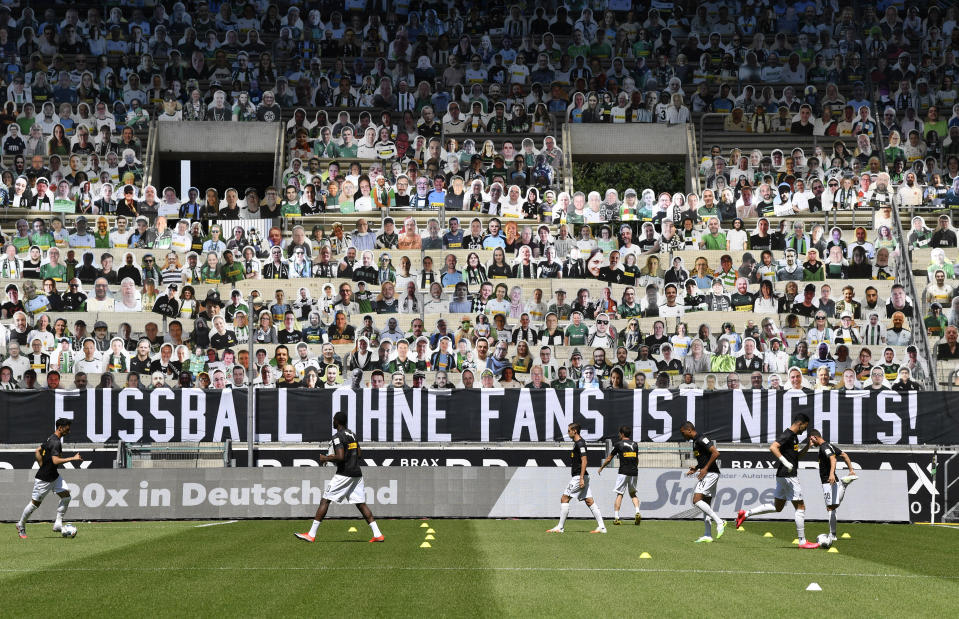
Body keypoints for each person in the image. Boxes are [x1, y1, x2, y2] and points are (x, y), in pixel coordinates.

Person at [294, 412, 384, 543]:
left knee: (325, 500)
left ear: (337, 421)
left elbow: (340, 457)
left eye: (333, 420)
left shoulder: (337, 437)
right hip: (356, 474)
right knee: (361, 504)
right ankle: (378, 534)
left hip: (344, 474)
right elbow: (359, 454)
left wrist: (325, 458)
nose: (332, 422)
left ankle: (311, 534)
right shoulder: (352, 434)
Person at [736, 413, 819, 548]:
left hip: (782, 475)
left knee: (778, 507)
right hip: (788, 475)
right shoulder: (788, 434)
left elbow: (796, 457)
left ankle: (746, 513)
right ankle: (802, 541)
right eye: (805, 426)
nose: (805, 429)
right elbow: (773, 447)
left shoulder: (794, 438)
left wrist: (808, 447)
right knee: (800, 507)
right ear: (800, 424)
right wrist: (785, 462)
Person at [16, 418, 82, 538]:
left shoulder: (51, 438)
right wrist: (73, 458)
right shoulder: (55, 442)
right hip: (44, 479)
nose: (69, 431)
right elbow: (55, 460)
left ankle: (58, 523)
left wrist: (42, 465)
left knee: (66, 496)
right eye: (67, 428)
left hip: (54, 476)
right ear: (60, 428)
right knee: (35, 504)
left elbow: (38, 451)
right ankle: (21, 525)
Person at [546, 423, 606, 534]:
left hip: (579, 476)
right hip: (581, 476)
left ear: (575, 431)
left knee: (564, 498)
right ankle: (602, 527)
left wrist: (581, 478)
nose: (568, 432)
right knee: (589, 501)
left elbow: (585, 461)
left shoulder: (580, 444)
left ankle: (560, 527)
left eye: (569, 430)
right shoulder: (577, 444)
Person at [808, 429, 858, 545]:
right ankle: (844, 484)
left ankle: (833, 535)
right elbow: (844, 455)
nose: (811, 442)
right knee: (833, 506)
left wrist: (831, 474)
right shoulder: (829, 445)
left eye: (811, 439)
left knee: (831, 508)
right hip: (831, 480)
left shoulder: (823, 447)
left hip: (828, 480)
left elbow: (833, 459)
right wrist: (851, 470)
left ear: (814, 437)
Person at [680, 421, 726, 543]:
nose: (682, 435)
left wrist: (705, 469)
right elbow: (703, 458)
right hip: (709, 473)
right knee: (706, 504)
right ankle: (707, 535)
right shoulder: (695, 442)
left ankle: (719, 521)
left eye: (683, 432)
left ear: (689, 430)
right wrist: (696, 468)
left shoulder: (701, 438)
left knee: (696, 500)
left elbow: (716, 453)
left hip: (710, 474)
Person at [596, 425, 641, 526]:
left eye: (619, 433)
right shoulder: (635, 444)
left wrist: (601, 467)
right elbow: (637, 460)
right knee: (633, 494)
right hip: (634, 472)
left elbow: (609, 458)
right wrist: (634, 468)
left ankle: (616, 517)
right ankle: (637, 512)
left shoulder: (619, 444)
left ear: (622, 434)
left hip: (623, 472)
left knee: (620, 494)